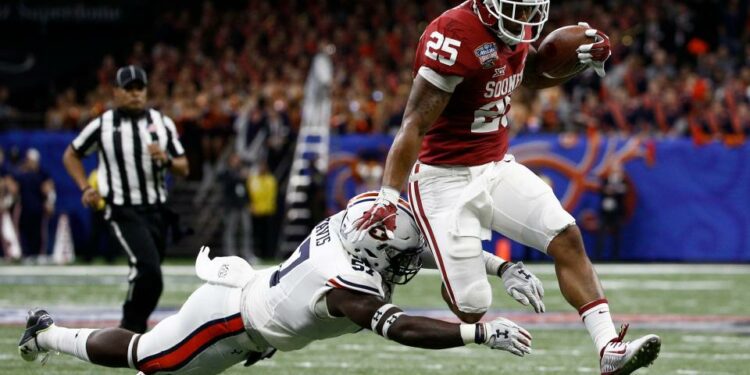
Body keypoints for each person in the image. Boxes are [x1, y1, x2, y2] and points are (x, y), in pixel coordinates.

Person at [346, 1, 660, 374]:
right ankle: (433, 254)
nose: (524, 17)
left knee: (566, 235)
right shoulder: (454, 33)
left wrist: (573, 65)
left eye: (529, 9)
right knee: (471, 306)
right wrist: (388, 195)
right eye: (516, 7)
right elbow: (413, 123)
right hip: (442, 179)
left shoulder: (513, 32)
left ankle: (609, 347)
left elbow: (529, 77)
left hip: (495, 167)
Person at [18, 193, 535, 374]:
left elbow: (421, 250)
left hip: (255, 307)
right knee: (144, 359)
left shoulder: (354, 228)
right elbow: (402, 329)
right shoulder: (345, 287)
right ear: (374, 248)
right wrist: (479, 333)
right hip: (226, 321)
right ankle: (46, 334)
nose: (408, 260)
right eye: (397, 253)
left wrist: (498, 267)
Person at [62, 65, 189, 333]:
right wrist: (85, 187)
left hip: (156, 210)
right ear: (116, 92)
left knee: (153, 278)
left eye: (139, 88)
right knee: (147, 270)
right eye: (128, 89)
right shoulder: (103, 125)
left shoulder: (162, 123)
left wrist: (165, 160)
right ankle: (128, 327)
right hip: (123, 209)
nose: (135, 94)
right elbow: (71, 154)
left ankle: (135, 329)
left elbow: (184, 166)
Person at [13, 149, 55, 262]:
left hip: (37, 208)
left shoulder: (42, 174)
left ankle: (38, 254)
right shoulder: (22, 174)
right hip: (25, 207)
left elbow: (49, 190)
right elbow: (15, 190)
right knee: (25, 231)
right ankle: (26, 254)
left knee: (38, 232)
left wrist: (50, 203)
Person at [219, 152, 254, 261]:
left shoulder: (241, 172)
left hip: (243, 205)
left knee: (247, 230)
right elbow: (228, 183)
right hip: (232, 206)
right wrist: (241, 177)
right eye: (235, 159)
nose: (237, 162)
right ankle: (230, 254)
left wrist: (250, 201)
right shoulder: (226, 172)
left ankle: (247, 253)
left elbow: (245, 189)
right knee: (231, 230)